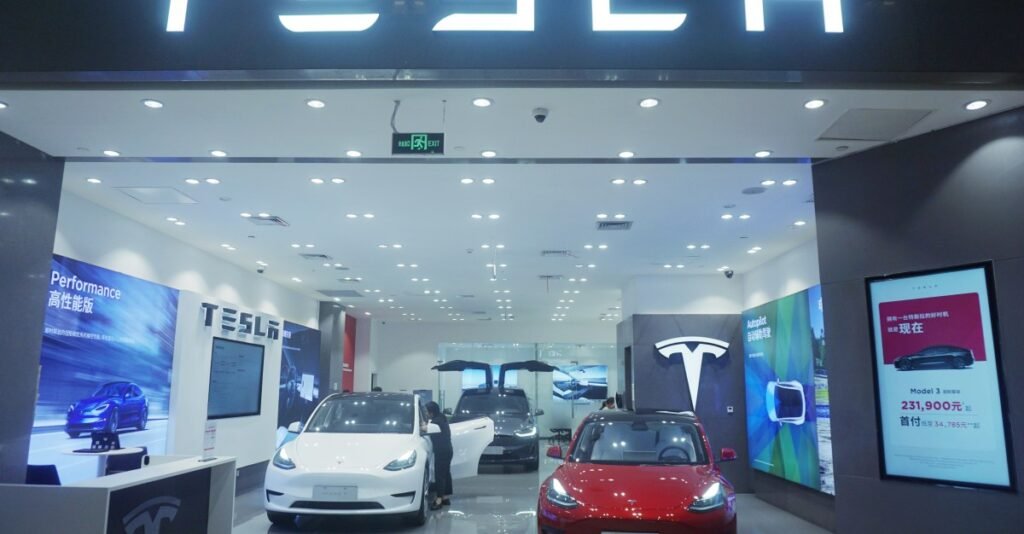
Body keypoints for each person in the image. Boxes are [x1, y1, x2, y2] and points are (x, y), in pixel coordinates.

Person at [422, 401, 453, 510]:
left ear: (431, 412)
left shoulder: (436, 421)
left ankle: (439, 499)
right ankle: (445, 497)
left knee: (440, 475)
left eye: (427, 412)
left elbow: (424, 429)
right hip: (448, 450)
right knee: (446, 473)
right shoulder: (442, 417)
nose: (426, 414)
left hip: (441, 452)